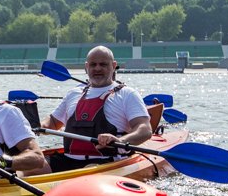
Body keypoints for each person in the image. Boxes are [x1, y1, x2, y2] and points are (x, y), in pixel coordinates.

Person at [30, 45, 151, 174]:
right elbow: (53, 123)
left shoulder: (127, 94)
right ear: (86, 67)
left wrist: (120, 141)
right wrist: (36, 126)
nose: (97, 68)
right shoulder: (73, 94)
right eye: (93, 65)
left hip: (107, 161)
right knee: (27, 166)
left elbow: (145, 129)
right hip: (68, 159)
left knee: (87, 171)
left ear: (114, 65)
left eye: (103, 64)